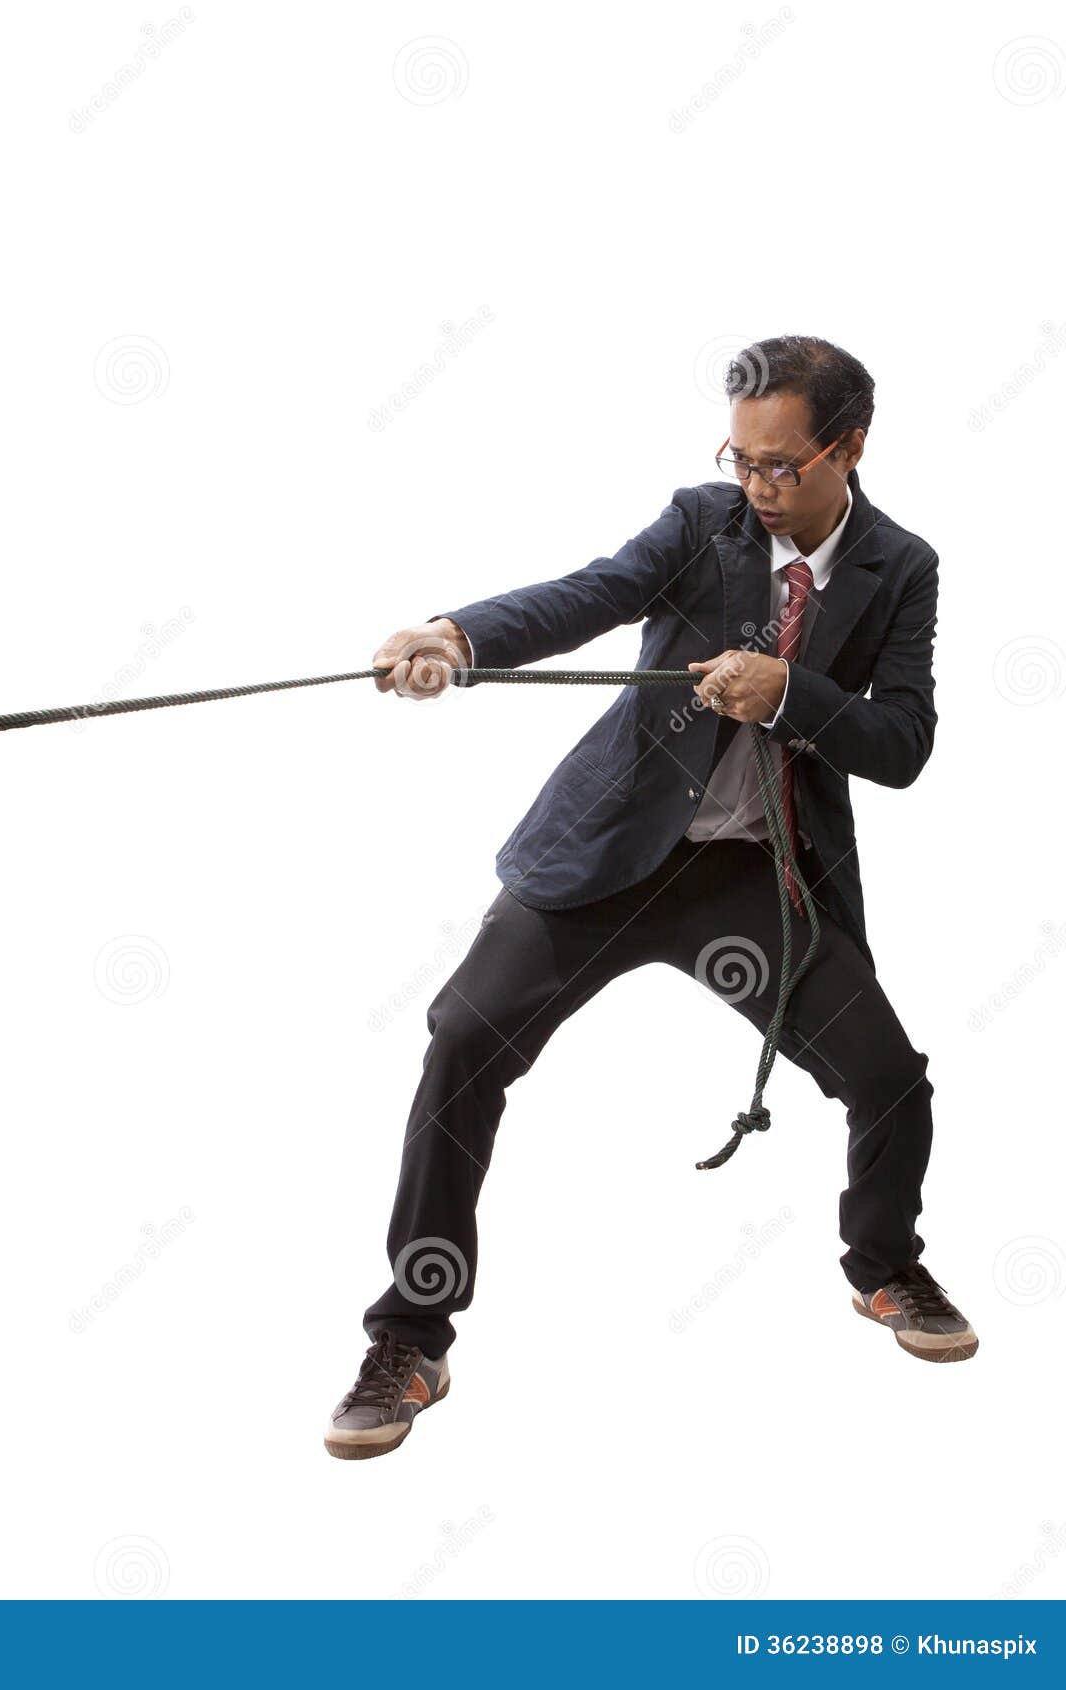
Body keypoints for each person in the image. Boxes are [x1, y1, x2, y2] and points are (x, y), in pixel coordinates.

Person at [325, 335, 976, 1463]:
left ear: (850, 448)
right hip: (608, 857)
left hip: (750, 873)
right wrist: (457, 637)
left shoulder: (901, 566)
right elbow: (587, 595)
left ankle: (884, 1266)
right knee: (462, 1043)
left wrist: (790, 692)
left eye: (781, 465)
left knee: (888, 1082)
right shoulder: (700, 523)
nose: (756, 485)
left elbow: (903, 743)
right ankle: (410, 1338)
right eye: (741, 459)